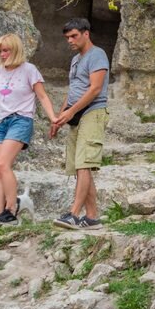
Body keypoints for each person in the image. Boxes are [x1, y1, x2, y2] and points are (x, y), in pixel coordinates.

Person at [0, 33, 56, 226]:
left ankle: (11, 210)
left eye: (6, 50)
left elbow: (42, 97)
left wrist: (53, 118)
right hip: (0, 123)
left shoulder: (29, 70)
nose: (3, 54)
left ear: (15, 49)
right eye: (0, 50)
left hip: (20, 120)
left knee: (2, 164)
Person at [50, 18, 109, 230]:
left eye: (74, 35)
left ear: (86, 33)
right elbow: (74, 89)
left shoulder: (97, 55)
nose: (70, 40)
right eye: (67, 37)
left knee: (84, 163)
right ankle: (92, 217)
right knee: (79, 166)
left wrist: (71, 112)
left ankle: (74, 214)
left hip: (92, 112)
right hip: (76, 114)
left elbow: (95, 89)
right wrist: (60, 116)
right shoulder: (75, 60)